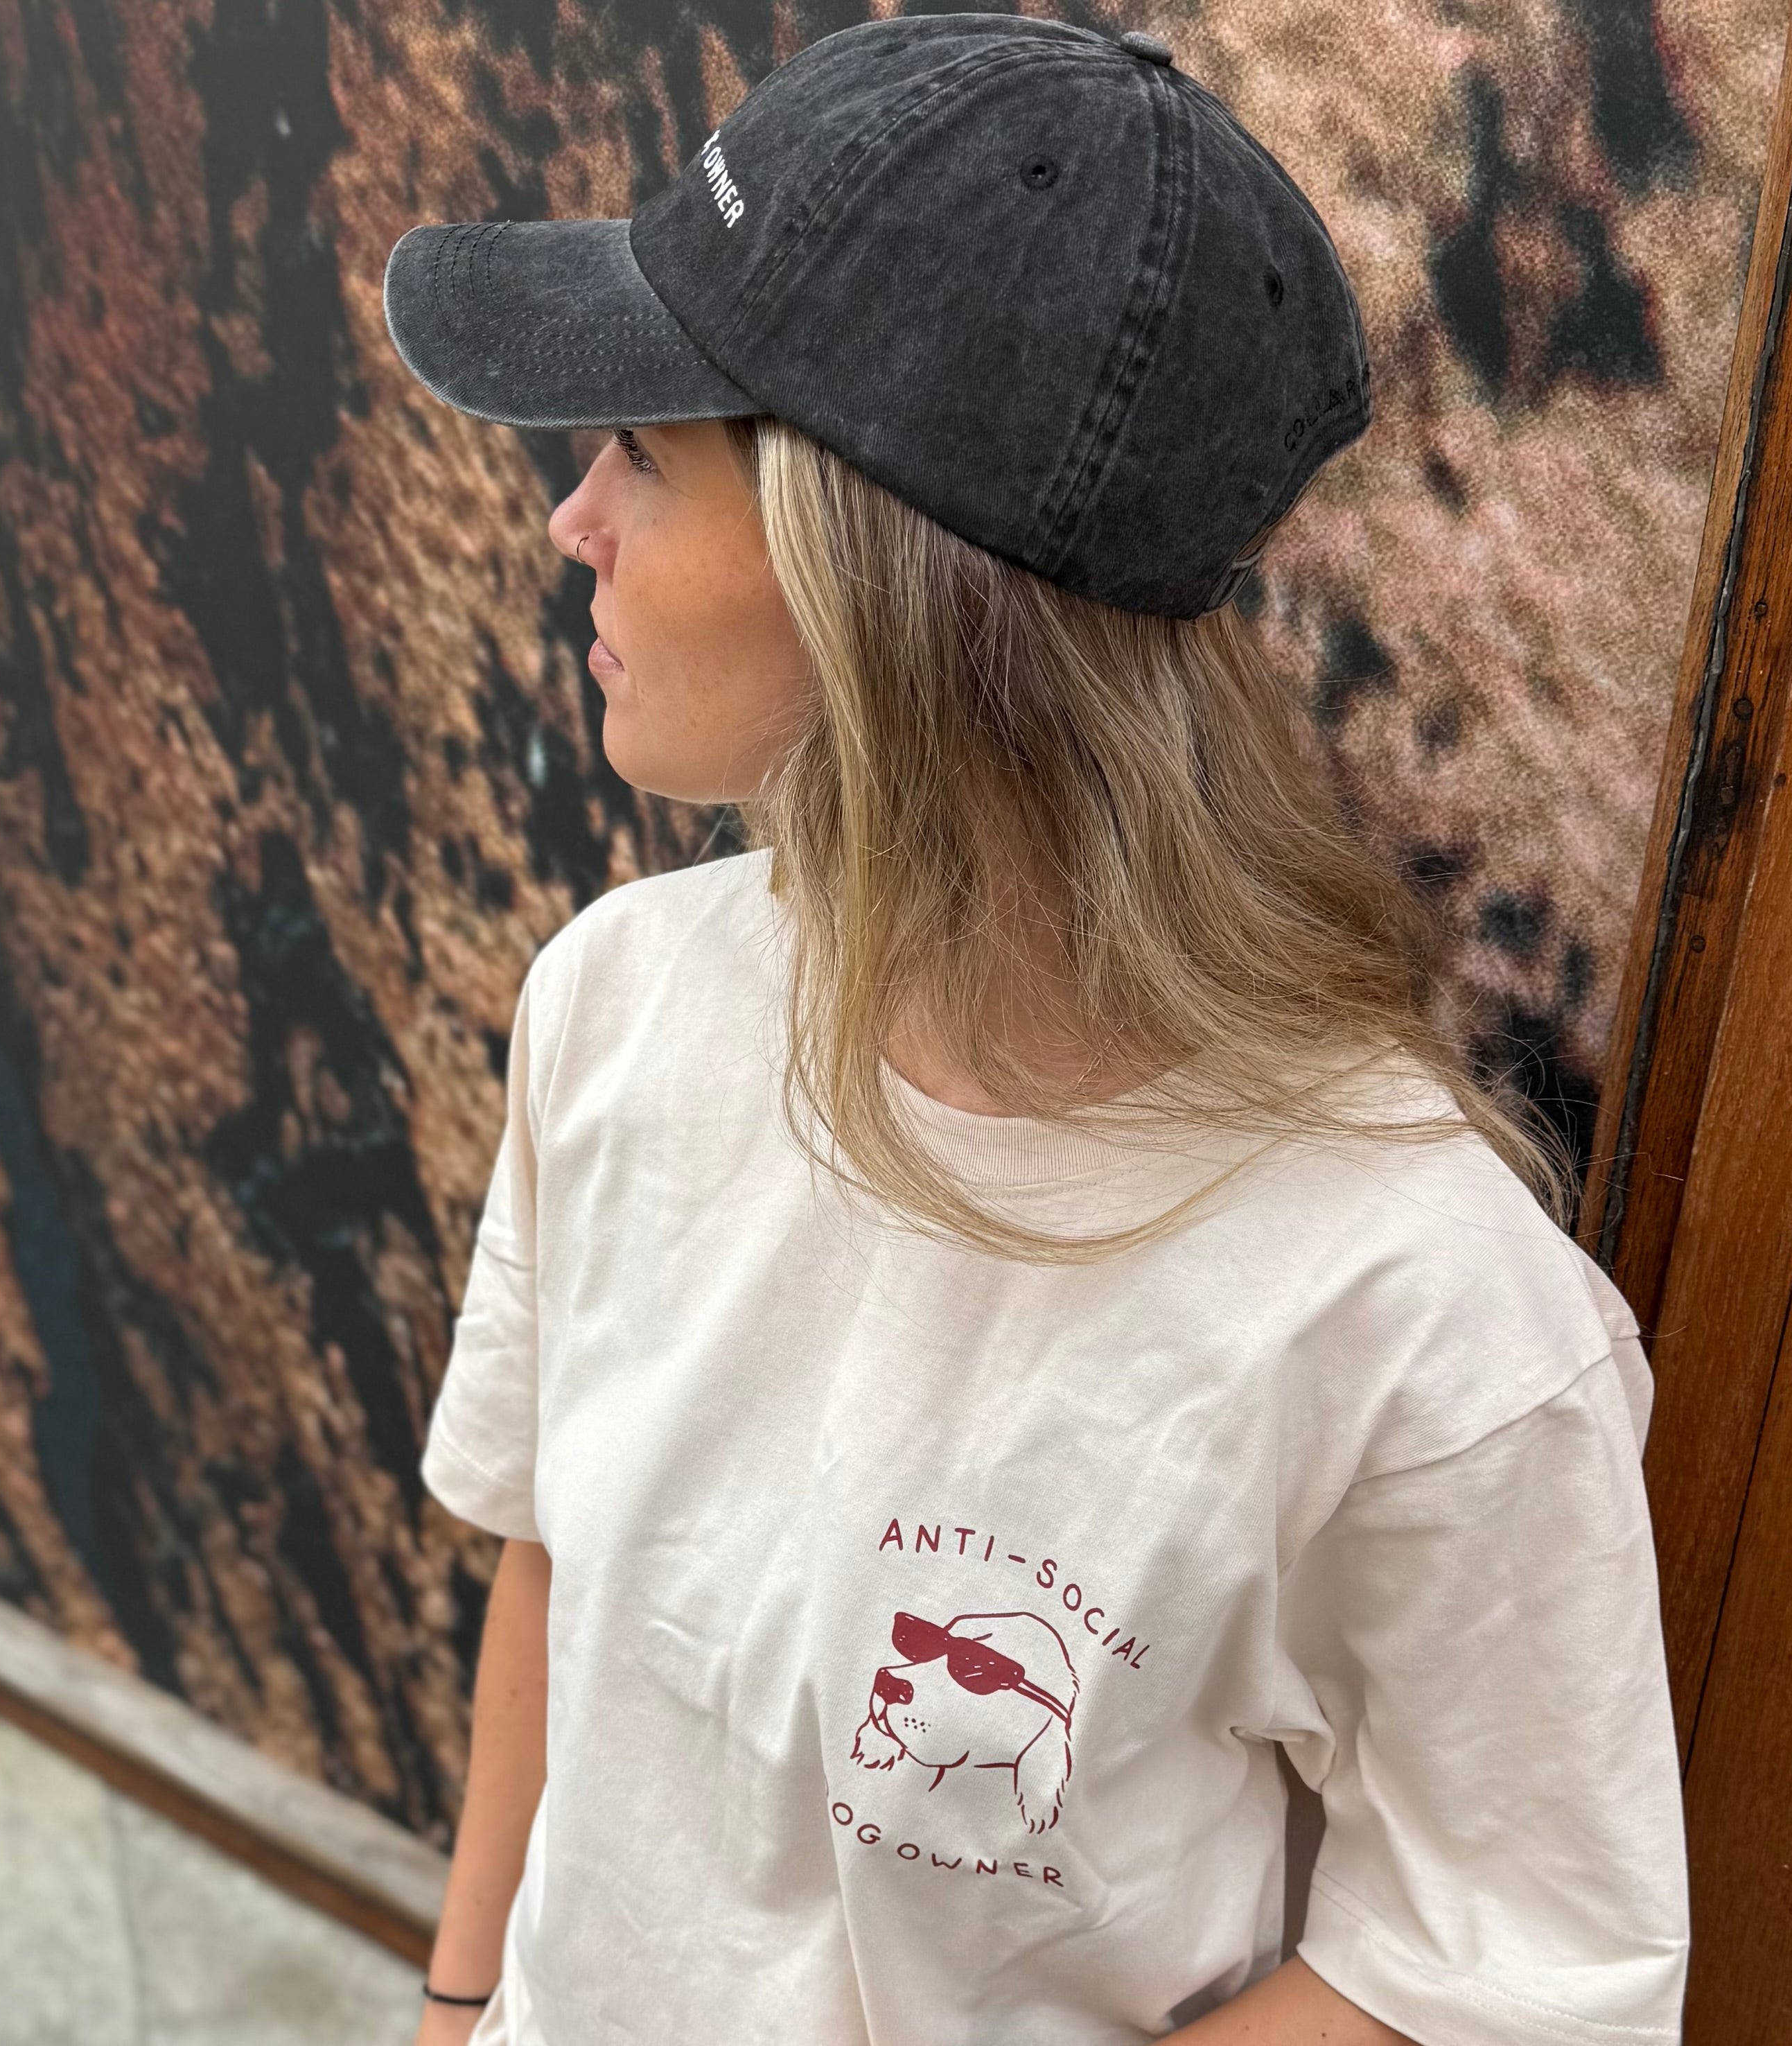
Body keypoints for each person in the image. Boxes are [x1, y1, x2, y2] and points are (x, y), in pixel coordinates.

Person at [385, 15, 1689, 2046]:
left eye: (647, 445)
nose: (576, 520)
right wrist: (461, 2007)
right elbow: (556, 1576)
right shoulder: (617, 1013)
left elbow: (1507, 1969)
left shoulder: (1421, 1325)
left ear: (872, 571)